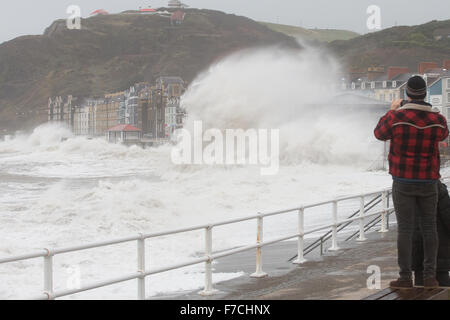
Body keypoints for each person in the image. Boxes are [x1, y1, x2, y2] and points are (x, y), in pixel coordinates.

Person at [374, 75, 449, 289]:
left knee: (405, 230)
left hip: (403, 180)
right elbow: (444, 135)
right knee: (429, 229)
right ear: (425, 94)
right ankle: (429, 277)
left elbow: (379, 134)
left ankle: (405, 277)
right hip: (428, 181)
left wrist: (392, 109)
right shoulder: (438, 119)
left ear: (407, 94)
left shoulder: (396, 117)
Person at [412, 180, 450, 287]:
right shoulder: (437, 187)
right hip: (438, 248)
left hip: (417, 246)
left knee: (420, 285)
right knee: (443, 285)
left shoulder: (406, 189)